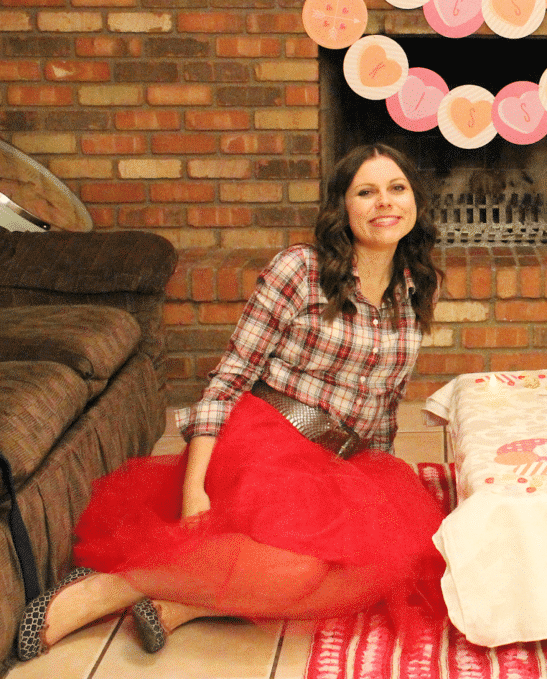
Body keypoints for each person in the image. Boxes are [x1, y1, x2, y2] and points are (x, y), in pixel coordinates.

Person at [16, 143, 447, 661]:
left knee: (393, 563)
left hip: (343, 459)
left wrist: (377, 491)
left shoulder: (417, 283)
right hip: (270, 438)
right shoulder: (299, 269)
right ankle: (115, 585)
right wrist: (196, 486)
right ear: (342, 207)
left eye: (397, 188)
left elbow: (384, 398)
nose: (385, 202)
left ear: (415, 200)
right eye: (366, 191)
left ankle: (183, 603)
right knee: (300, 566)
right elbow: (228, 380)